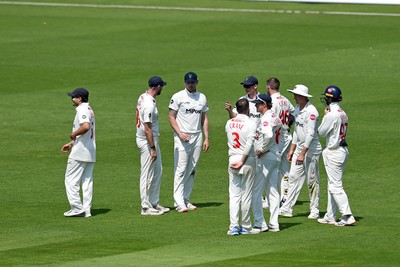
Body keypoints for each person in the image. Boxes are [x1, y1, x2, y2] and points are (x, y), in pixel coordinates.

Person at [168, 71, 209, 213]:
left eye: (192, 82)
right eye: (188, 82)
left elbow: (204, 118)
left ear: (197, 82)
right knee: (180, 169)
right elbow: (171, 116)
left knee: (192, 169)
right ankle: (178, 202)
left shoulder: (202, 97)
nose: (190, 84)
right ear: (184, 82)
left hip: (197, 136)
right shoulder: (178, 96)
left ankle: (186, 198)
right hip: (182, 137)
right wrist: (180, 133)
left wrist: (206, 137)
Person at [279, 84, 322, 219]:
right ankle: (287, 208)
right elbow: (297, 131)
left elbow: (310, 134)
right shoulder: (297, 109)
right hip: (299, 149)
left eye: (296, 95)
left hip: (311, 150)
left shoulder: (312, 111)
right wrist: (292, 150)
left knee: (312, 180)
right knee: (293, 177)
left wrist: (303, 153)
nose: (294, 97)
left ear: (303, 97)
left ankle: (314, 209)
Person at [317, 86, 356, 226]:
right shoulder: (343, 113)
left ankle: (347, 215)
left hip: (334, 152)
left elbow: (321, 132)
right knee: (332, 184)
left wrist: (325, 116)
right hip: (342, 150)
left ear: (329, 98)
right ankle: (330, 215)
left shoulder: (331, 115)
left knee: (335, 186)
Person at [136, 76, 170, 216]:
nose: (163, 88)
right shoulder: (149, 104)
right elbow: (147, 128)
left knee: (157, 171)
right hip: (147, 141)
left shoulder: (143, 96)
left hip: (150, 140)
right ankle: (145, 206)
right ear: (157, 87)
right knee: (147, 173)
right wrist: (152, 148)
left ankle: (154, 202)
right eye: (162, 86)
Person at [225, 99, 259, 235]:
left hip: (232, 158)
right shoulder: (251, 123)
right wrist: (243, 160)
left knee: (234, 195)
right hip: (247, 159)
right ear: (248, 110)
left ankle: (233, 227)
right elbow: (249, 144)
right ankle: (245, 226)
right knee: (246, 195)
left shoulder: (229, 123)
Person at [252, 94, 285, 232]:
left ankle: (260, 223)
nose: (255, 106)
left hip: (266, 158)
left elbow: (269, 135)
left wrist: (262, 150)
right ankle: (274, 223)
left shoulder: (265, 118)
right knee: (272, 190)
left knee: (256, 191)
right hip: (276, 156)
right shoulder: (276, 117)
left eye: (258, 104)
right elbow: (282, 138)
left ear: (264, 104)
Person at [61, 88, 96, 218]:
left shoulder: (82, 109)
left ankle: (76, 207)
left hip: (80, 151)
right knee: (87, 181)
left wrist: (73, 135)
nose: (72, 99)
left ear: (79, 98)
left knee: (71, 180)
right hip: (90, 150)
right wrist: (71, 143)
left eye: (73, 97)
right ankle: (86, 210)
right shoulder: (89, 109)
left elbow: (86, 127)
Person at [266, 77, 295, 206]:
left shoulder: (272, 101)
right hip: (287, 136)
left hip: (279, 139)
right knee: (284, 169)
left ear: (268, 87)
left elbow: (271, 121)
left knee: (273, 168)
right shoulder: (285, 99)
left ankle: (273, 199)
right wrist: (288, 125)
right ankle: (285, 197)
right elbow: (294, 114)